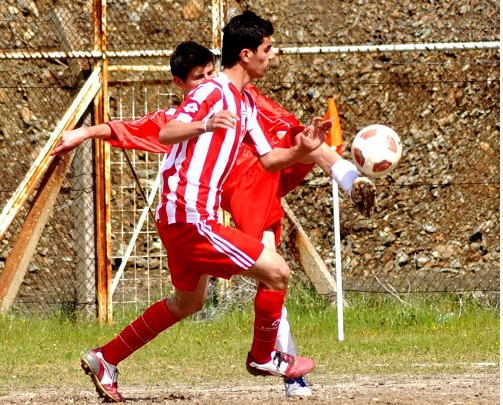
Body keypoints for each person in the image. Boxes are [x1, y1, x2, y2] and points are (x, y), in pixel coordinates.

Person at [52, 40, 376, 398]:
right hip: (193, 215)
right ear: (180, 84)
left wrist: (324, 160)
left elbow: (283, 147)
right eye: (197, 78)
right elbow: (132, 129)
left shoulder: (244, 103)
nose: (206, 81)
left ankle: (106, 358)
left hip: (231, 195)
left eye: (210, 73)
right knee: (275, 270)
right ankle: (275, 364)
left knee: (188, 302)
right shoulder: (190, 114)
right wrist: (83, 132)